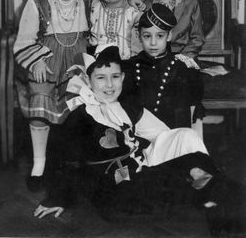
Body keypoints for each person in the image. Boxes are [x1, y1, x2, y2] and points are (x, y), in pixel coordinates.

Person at [34, 45, 245, 237]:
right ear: (88, 80)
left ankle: (213, 202)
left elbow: (162, 134)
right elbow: (63, 161)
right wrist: (58, 198)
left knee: (186, 138)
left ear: (123, 77)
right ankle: (216, 200)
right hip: (115, 193)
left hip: (142, 170)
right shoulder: (80, 116)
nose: (109, 85)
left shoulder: (128, 106)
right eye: (100, 78)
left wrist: (187, 162)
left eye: (115, 76)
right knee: (200, 182)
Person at [13, 0, 90, 192]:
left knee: (86, 100)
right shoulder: (37, 1)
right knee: (40, 94)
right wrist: (35, 60)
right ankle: (39, 164)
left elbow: (111, 12)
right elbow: (24, 39)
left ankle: (78, 163)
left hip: (81, 58)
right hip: (46, 58)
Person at [122, 3, 205, 129]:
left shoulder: (181, 68)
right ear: (139, 36)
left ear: (169, 36)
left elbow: (191, 115)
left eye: (160, 36)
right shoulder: (130, 67)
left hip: (172, 134)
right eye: (147, 36)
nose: (153, 42)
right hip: (140, 135)